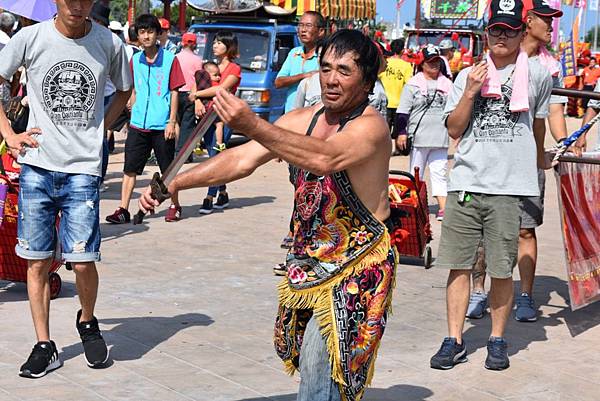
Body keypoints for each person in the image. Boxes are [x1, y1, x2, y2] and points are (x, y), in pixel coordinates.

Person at [140, 29, 395, 401]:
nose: (332, 79)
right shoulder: (303, 118)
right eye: (325, 68)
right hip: (309, 262)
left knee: (320, 363)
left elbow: (324, 158)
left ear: (367, 79)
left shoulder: (371, 127)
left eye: (344, 70)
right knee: (311, 365)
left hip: (357, 266)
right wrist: (176, 183)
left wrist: (252, 124)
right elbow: (241, 159)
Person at [0, 0, 132, 378]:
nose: (76, 6)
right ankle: (44, 345)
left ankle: (87, 321)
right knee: (37, 259)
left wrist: (102, 126)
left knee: (83, 258)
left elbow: (125, 89)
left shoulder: (109, 43)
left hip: (84, 170)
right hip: (37, 166)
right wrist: (9, 133)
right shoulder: (30, 38)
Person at [430, 0, 553, 371]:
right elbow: (453, 129)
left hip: (508, 186)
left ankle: (497, 340)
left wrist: (538, 160)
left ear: (521, 32)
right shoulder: (467, 75)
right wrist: (470, 91)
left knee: (501, 268)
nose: (503, 35)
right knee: (458, 265)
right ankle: (454, 339)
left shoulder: (537, 75)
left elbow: (537, 125)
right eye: (496, 29)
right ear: (487, 33)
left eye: (510, 29)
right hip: (467, 181)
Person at [466, 0, 580, 322]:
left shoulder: (549, 68)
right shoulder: (488, 60)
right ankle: (478, 290)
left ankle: (526, 296)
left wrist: (565, 146)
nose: (551, 25)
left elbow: (552, 112)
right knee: (483, 232)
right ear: (527, 22)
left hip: (527, 164)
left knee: (526, 231)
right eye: (546, 19)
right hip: (488, 161)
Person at [106, 14, 185, 224]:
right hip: (138, 123)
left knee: (168, 170)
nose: (146, 36)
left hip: (162, 124)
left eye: (150, 31)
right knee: (129, 168)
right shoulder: (136, 60)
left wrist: (171, 121)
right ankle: (123, 209)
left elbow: (175, 91)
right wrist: (132, 103)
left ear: (158, 34)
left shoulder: (170, 59)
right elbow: (130, 86)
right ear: (138, 36)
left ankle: (174, 205)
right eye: (142, 32)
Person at [396, 45, 452, 221]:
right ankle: (415, 207)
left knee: (440, 172)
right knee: (415, 174)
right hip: (419, 137)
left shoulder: (448, 85)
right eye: (430, 62)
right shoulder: (412, 85)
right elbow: (403, 111)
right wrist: (401, 133)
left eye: (436, 61)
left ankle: (443, 208)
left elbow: (455, 110)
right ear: (422, 64)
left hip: (440, 138)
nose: (434, 65)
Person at [189, 31, 241, 214]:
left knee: (214, 155)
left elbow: (221, 88)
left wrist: (196, 95)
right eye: (215, 42)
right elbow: (197, 83)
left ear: (229, 47)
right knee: (216, 155)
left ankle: (209, 196)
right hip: (207, 116)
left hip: (224, 117)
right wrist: (196, 101)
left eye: (220, 43)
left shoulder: (234, 69)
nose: (215, 45)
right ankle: (223, 192)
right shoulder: (210, 67)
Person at [274, 11, 325, 113]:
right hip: (290, 114)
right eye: (301, 25)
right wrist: (305, 76)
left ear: (321, 31)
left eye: (308, 25)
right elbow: (278, 82)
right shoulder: (294, 53)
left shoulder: (325, 55)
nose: (303, 30)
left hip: (313, 116)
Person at [378, 38, 413, 151]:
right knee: (399, 129)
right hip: (399, 103)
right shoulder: (406, 66)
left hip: (385, 102)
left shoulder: (385, 62)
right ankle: (398, 149)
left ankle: (384, 151)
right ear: (402, 51)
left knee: (384, 130)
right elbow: (409, 84)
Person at [175, 32, 203, 159]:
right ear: (195, 44)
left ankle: (175, 150)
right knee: (187, 124)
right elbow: (198, 79)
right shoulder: (198, 60)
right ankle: (184, 153)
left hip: (175, 93)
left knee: (176, 122)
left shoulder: (175, 57)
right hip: (190, 94)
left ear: (182, 43)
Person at [201, 62, 227, 151]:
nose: (218, 77)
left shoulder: (202, 85)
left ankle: (197, 143)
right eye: (215, 75)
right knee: (219, 124)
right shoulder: (215, 85)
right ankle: (219, 143)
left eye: (219, 75)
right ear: (207, 75)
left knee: (201, 127)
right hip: (214, 108)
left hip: (204, 108)